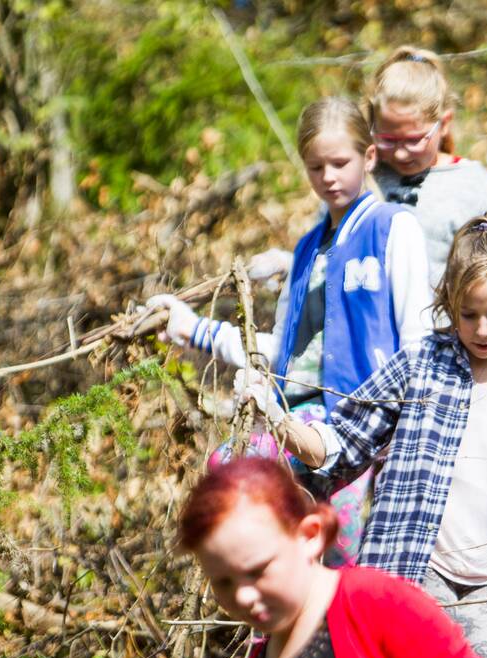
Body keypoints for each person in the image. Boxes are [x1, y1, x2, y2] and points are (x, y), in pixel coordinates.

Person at [235, 216, 487, 658]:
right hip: (417, 570)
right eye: (468, 314)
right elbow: (341, 443)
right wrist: (276, 418)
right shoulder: (421, 365)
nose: (482, 329)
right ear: (448, 303)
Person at [148, 97, 433, 562]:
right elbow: (283, 351)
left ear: (369, 158)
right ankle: (274, 613)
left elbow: (417, 339)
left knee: (346, 552)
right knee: (229, 467)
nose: (329, 177)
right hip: (295, 419)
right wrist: (191, 327)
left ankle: (340, 625)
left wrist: (407, 431)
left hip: (362, 428)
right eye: (316, 166)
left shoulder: (392, 228)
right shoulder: (305, 250)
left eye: (340, 163)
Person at [178, 457, 487, 658]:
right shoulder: (260, 657)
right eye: (222, 581)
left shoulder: (371, 601)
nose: (242, 595)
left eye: (257, 570)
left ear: (310, 535)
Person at [366, 46, 487, 315]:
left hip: (447, 339)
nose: (400, 152)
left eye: (414, 140)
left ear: (444, 124)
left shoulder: (469, 184)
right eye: (388, 139)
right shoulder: (363, 177)